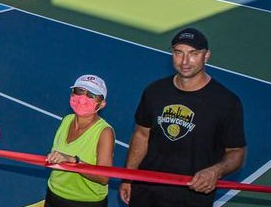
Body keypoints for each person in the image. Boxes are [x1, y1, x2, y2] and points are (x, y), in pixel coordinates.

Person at [120, 28, 246, 207]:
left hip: (192, 197)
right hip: (147, 190)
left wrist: (216, 171)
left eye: (193, 53)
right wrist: (129, 176)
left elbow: (236, 152)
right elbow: (141, 135)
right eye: (179, 53)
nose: (185, 61)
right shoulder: (154, 92)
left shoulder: (226, 102)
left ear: (206, 56)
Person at [44, 74, 115, 207]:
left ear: (102, 104)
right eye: (79, 91)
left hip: (85, 202)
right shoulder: (67, 120)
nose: (82, 98)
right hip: (54, 193)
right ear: (72, 94)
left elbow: (104, 177)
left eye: (91, 95)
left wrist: (74, 161)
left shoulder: (105, 132)